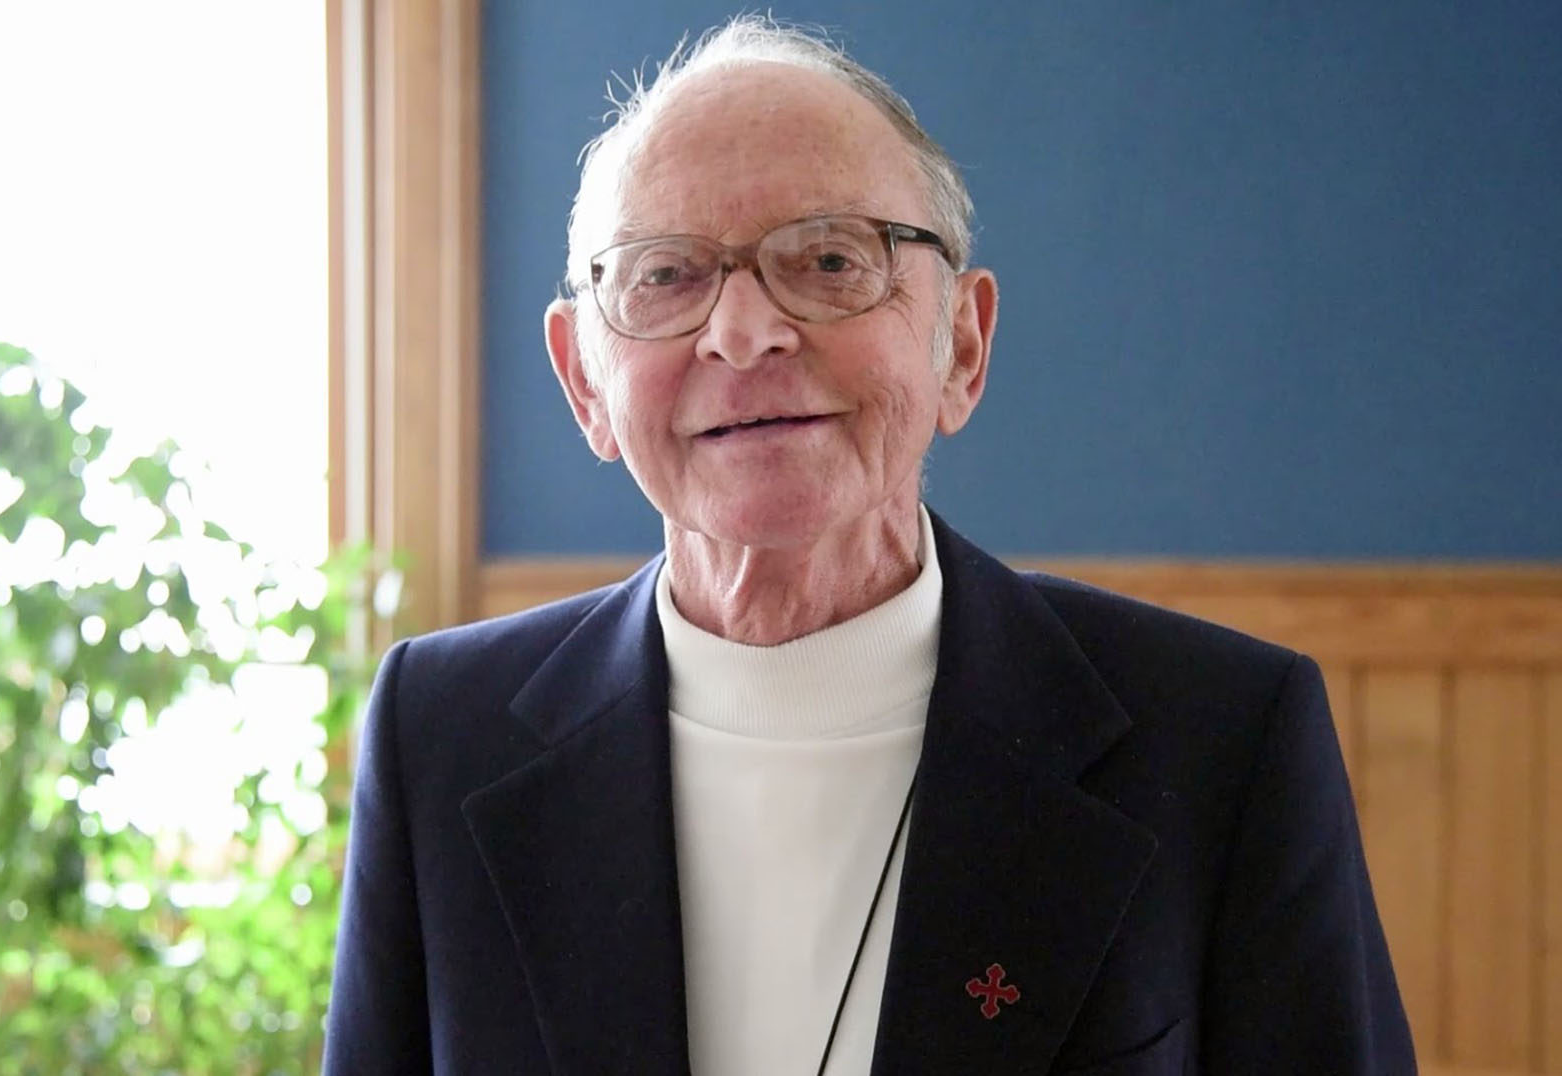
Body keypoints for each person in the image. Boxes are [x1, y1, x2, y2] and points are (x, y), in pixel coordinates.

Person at [325, 16, 1414, 1075]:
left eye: (831, 259)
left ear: (963, 346)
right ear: (583, 383)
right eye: (664, 274)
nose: (744, 333)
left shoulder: (1218, 740)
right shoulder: (444, 735)